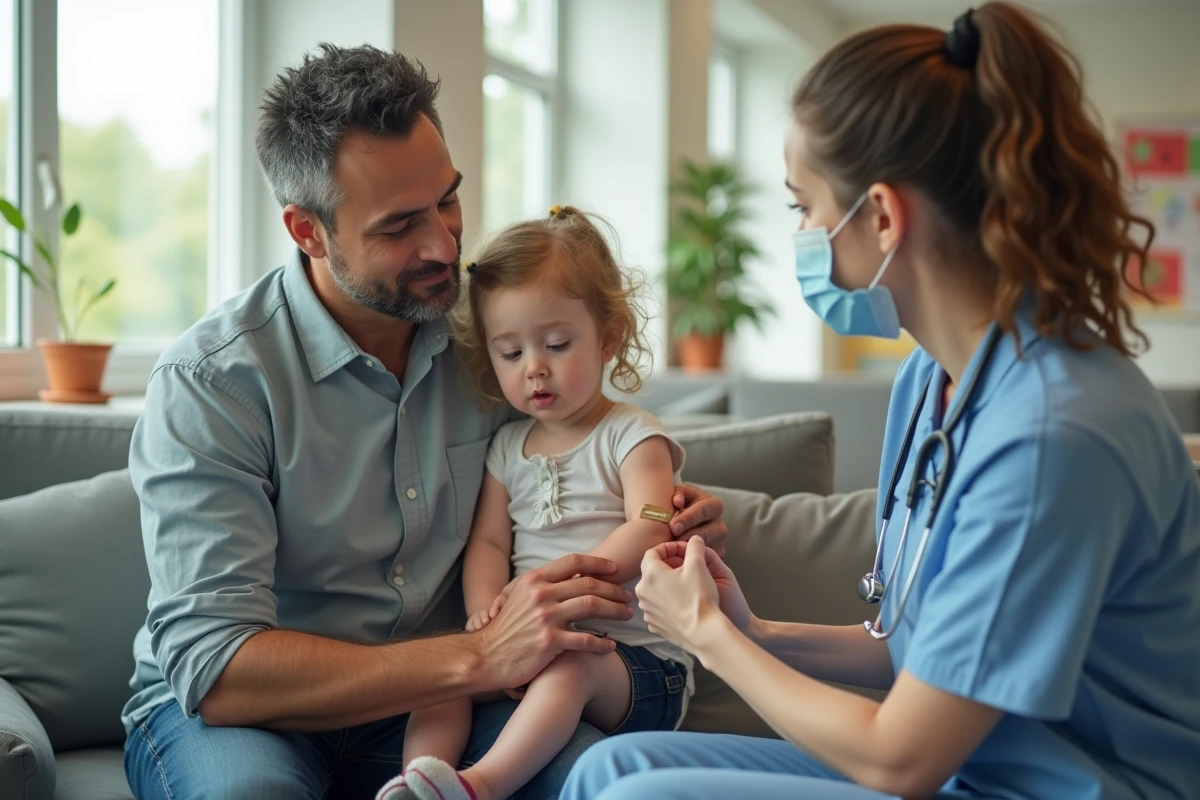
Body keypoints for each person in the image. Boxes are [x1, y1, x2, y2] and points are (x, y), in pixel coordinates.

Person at [561, 4, 1200, 799]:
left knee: (638, 797)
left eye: (804, 208)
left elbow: (904, 759)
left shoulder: (1052, 435)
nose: (802, 232)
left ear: (884, 216)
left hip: (1073, 787)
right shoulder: (931, 382)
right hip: (980, 772)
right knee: (615, 766)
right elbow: (925, 648)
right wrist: (750, 629)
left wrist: (709, 640)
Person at [120, 44, 726, 800]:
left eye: (448, 199)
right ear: (308, 231)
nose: (443, 245)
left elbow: (573, 448)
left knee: (599, 786)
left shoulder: (493, 346)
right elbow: (219, 671)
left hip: (442, 703)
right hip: (256, 719)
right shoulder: (212, 385)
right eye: (400, 224)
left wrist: (663, 508)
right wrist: (478, 655)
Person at [377, 206, 694, 800]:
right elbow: (490, 543)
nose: (535, 369)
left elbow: (651, 527)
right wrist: (485, 620)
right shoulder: (507, 445)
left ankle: (480, 786)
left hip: (631, 665)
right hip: (527, 644)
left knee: (569, 670)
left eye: (556, 343)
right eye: (511, 353)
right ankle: (421, 781)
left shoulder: (632, 435)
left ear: (608, 337)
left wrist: (550, 587)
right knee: (442, 673)